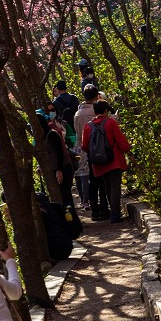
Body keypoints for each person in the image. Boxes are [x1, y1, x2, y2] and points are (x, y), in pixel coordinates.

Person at [82, 100, 134, 225]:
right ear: (105, 111)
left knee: (107, 187)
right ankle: (115, 214)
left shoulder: (88, 126)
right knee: (115, 187)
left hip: (98, 163)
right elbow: (121, 140)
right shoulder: (111, 123)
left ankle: (114, 212)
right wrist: (129, 152)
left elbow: (84, 146)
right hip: (114, 159)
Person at [74, 85, 109, 220]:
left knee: (92, 181)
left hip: (87, 151)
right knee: (103, 181)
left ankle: (94, 210)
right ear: (96, 96)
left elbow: (78, 135)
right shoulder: (97, 111)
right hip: (102, 150)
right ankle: (104, 208)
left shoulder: (77, 114)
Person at [36, 107, 75, 209]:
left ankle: (72, 220)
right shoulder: (42, 137)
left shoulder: (52, 134)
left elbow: (59, 152)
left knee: (65, 195)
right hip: (54, 169)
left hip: (62, 168)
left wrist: (59, 170)